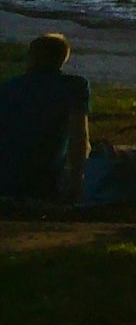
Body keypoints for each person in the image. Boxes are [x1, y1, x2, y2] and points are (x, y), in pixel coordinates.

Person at [0, 33, 92, 200]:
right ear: (63, 59)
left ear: (32, 56)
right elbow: (79, 138)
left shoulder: (8, 87)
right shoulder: (75, 86)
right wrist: (78, 181)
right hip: (44, 178)